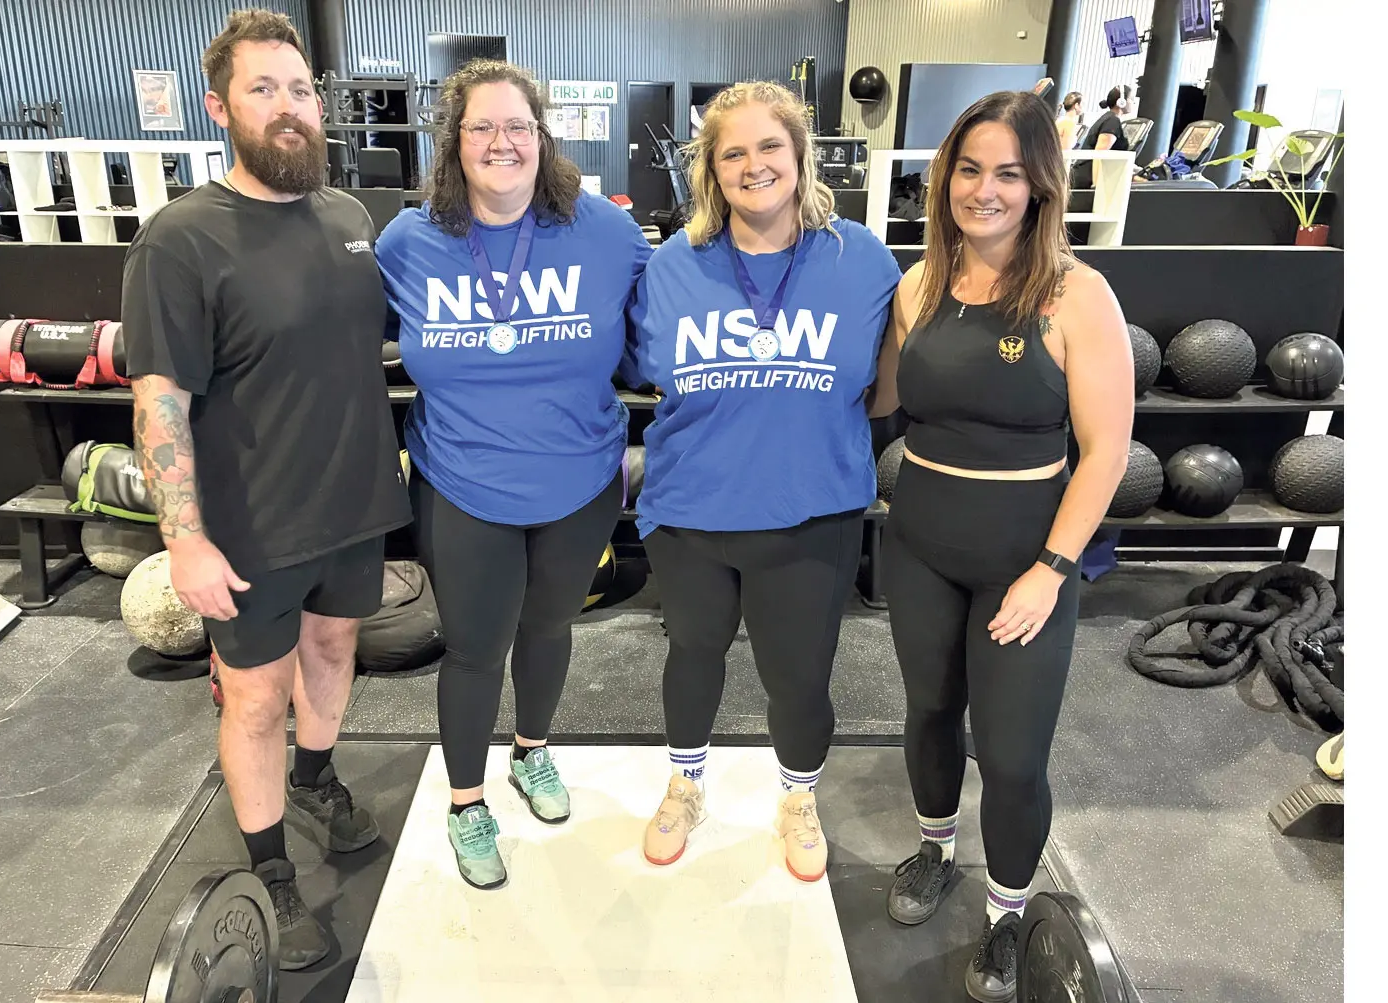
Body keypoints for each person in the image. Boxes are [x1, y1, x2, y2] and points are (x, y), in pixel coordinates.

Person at [121, 9, 410, 969]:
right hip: (249, 527)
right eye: (263, 90)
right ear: (220, 107)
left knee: (334, 652)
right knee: (253, 698)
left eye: (300, 91)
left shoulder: (346, 216)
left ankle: (316, 778)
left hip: (355, 505)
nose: (289, 109)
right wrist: (185, 539)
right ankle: (271, 871)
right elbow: (159, 397)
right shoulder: (181, 238)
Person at [866, 90, 1132, 1002]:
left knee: (1012, 754)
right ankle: (936, 850)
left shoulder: (1076, 294)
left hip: (1025, 555)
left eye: (1006, 174)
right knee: (928, 711)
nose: (983, 190)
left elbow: (1104, 454)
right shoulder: (917, 284)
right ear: (943, 180)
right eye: (968, 170)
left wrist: (1052, 568)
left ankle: (1008, 910)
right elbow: (877, 404)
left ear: (1039, 186)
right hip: (920, 544)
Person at [373, 59, 652, 890]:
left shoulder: (606, 231)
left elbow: (658, 335)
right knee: (472, 647)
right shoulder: (408, 240)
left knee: (548, 629)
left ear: (543, 139)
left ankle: (532, 754)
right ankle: (465, 804)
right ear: (452, 144)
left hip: (581, 481)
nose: (502, 142)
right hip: (462, 481)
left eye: (518, 127)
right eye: (482, 127)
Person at [626, 81, 902, 881]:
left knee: (798, 676)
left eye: (769, 147)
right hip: (691, 510)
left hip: (809, 511)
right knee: (693, 654)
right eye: (732, 152)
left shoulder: (862, 259)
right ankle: (685, 784)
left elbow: (884, 389)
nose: (754, 165)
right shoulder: (671, 266)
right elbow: (646, 373)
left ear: (800, 154)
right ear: (711, 169)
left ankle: (798, 797)